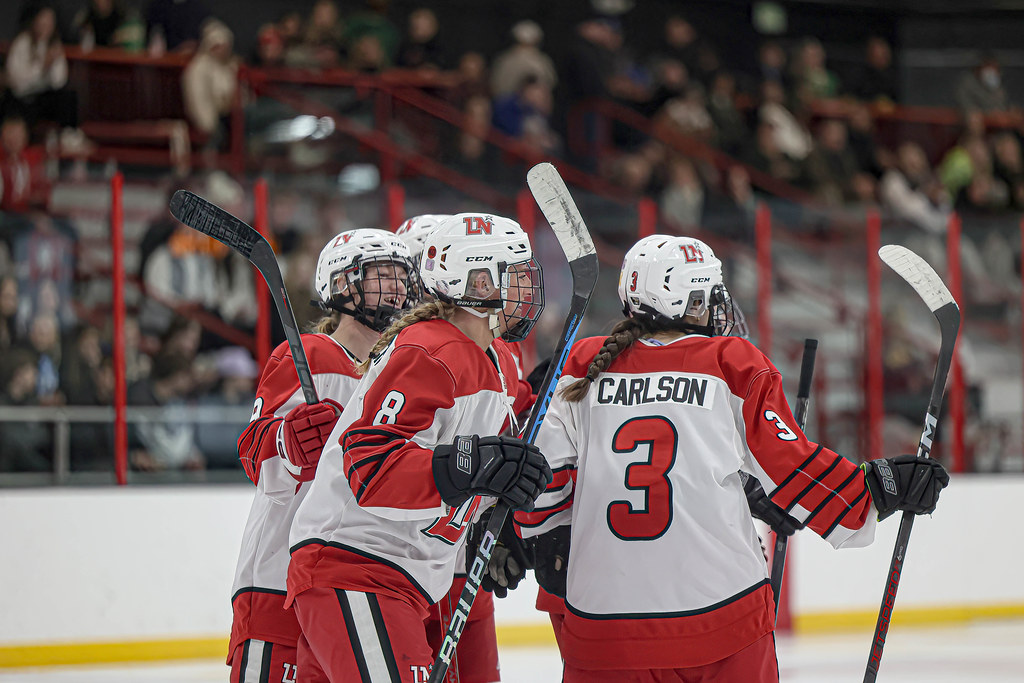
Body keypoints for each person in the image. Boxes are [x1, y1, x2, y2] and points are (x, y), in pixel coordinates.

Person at [518, 235, 950, 682]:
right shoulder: (731, 362)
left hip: (603, 631)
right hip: (721, 624)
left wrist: (544, 542)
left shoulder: (580, 363)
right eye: (709, 295)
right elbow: (792, 468)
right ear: (688, 302)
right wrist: (873, 489)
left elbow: (540, 486)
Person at [287, 213, 552, 681]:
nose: (524, 290)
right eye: (513, 276)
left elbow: (453, 469)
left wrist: (500, 491)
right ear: (475, 281)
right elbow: (372, 467)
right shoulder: (431, 349)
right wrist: (476, 467)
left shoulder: (485, 361)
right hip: (356, 568)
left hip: (396, 578)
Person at [229, 228, 418, 683]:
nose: (396, 286)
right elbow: (254, 450)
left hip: (350, 581)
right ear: (342, 284)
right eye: (382, 274)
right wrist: (288, 442)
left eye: (401, 276)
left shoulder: (400, 370)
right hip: (278, 579)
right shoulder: (310, 355)